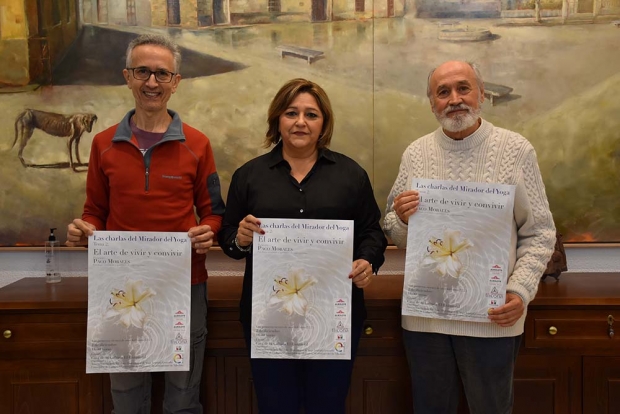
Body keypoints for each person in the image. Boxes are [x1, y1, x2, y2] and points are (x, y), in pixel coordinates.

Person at [383, 60, 556, 414]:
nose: (454, 99)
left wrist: (519, 291)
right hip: (426, 318)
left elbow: (540, 233)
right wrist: (401, 218)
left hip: (491, 317)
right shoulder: (416, 154)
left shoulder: (515, 149)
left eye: (463, 88)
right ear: (432, 103)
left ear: (481, 94)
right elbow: (394, 231)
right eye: (442, 92)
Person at [66, 34, 225, 414]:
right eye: (142, 72)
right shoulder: (103, 144)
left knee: (183, 399)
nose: (151, 83)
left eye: (161, 74)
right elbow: (95, 212)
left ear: (175, 81)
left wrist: (211, 231)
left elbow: (214, 212)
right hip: (121, 286)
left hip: (185, 285)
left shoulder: (198, 144)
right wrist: (84, 230)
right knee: (126, 400)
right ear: (127, 76)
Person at [218, 78, 387, 414]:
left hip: (334, 314)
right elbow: (228, 240)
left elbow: (373, 234)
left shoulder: (351, 175)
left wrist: (367, 262)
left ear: (323, 123)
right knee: (274, 405)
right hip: (269, 316)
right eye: (291, 112)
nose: (300, 122)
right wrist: (240, 238)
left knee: (328, 404)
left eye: (311, 114)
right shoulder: (249, 176)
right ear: (277, 120)